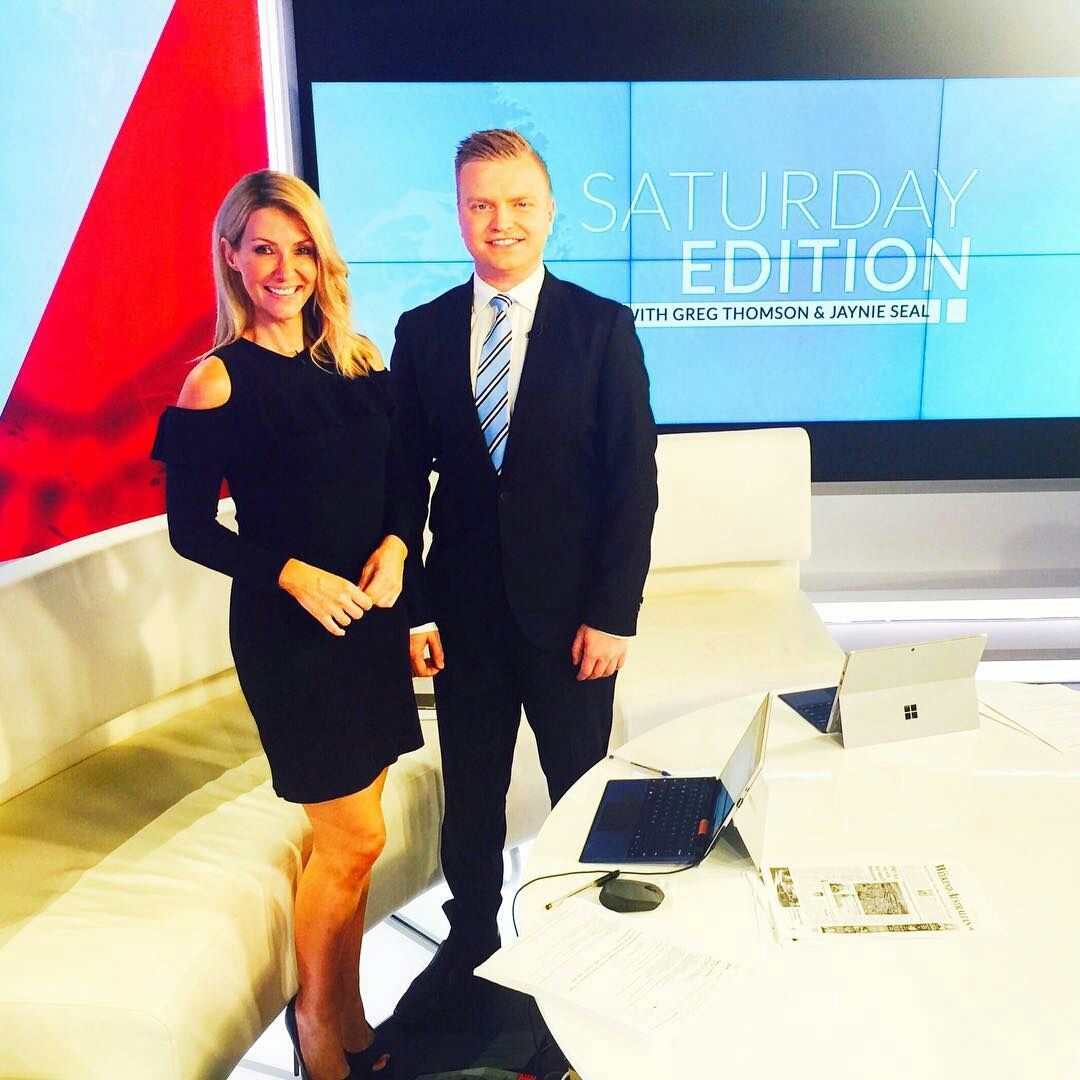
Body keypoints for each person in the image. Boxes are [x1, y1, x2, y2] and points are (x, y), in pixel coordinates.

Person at [151, 170, 420, 1080]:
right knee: (355, 839)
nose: (285, 268)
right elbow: (191, 531)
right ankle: (314, 1025)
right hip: (290, 636)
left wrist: (397, 548)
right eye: (263, 248)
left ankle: (348, 1014)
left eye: (301, 249)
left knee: (355, 843)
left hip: (368, 623)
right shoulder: (215, 381)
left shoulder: (358, 359)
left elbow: (402, 487)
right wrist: (291, 573)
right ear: (230, 256)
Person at [390, 130, 658, 1022]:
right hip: (462, 617)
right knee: (471, 792)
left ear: (550, 213)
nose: (499, 221)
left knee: (580, 782)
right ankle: (471, 939)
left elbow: (632, 482)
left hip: (574, 619)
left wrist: (614, 613)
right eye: (480, 204)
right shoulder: (422, 331)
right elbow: (402, 484)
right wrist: (414, 612)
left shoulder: (602, 327)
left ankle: (582, 933)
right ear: (459, 213)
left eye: (518, 204)